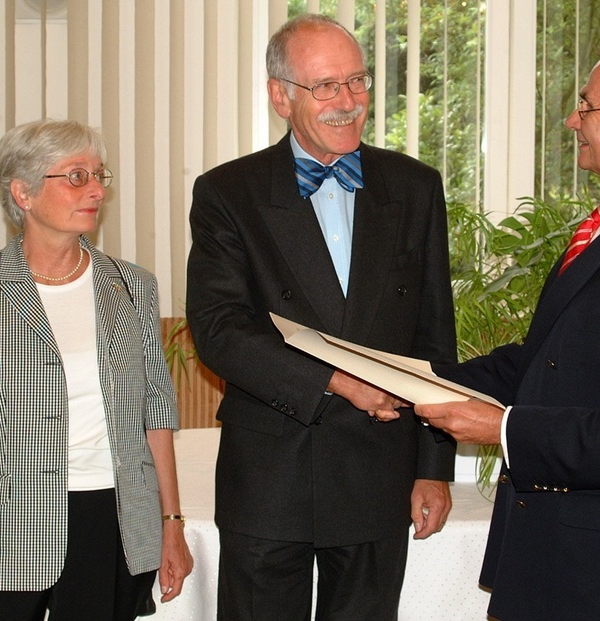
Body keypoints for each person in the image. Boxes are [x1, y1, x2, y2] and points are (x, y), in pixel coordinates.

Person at [415, 34, 600, 620]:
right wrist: (416, 382)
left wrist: (505, 429)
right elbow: (541, 362)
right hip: (561, 557)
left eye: (587, 105)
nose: (570, 119)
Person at [185, 13, 456, 621]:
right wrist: (337, 382)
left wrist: (434, 468)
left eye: (357, 82)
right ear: (280, 95)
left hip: (378, 472)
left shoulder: (415, 186)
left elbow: (434, 332)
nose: (348, 102)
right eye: (325, 86)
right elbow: (220, 330)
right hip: (272, 477)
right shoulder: (229, 193)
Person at [0, 119, 193, 621]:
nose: (95, 189)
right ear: (22, 192)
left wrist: (171, 522)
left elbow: (156, 413)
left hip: (110, 521)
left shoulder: (133, 286)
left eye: (98, 175)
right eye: (75, 176)